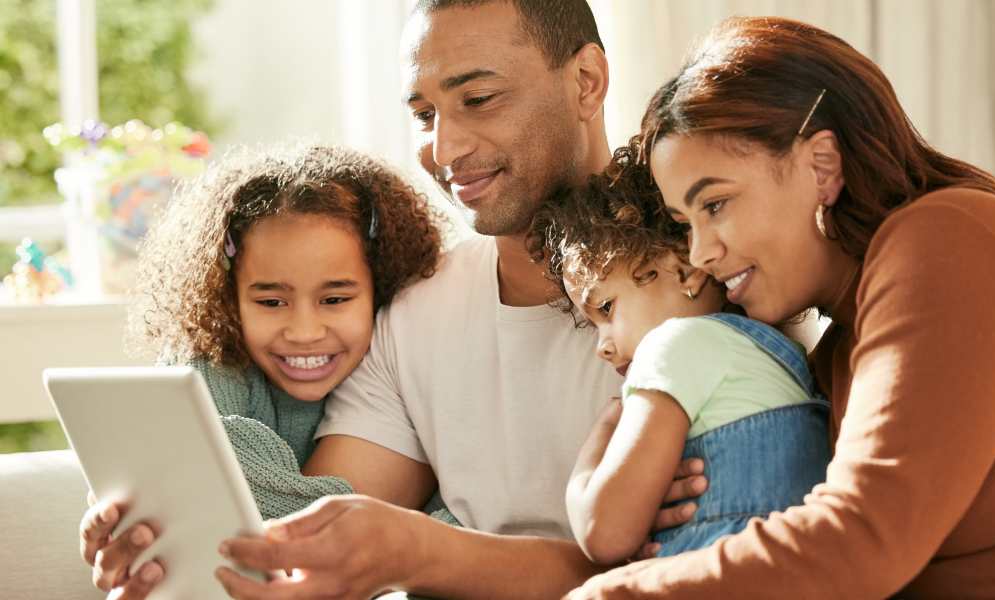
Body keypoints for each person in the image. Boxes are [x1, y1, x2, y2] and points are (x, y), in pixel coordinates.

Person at [80, 2, 707, 599]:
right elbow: (322, 537)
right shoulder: (413, 312)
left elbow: (696, 573)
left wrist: (420, 552)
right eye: (425, 115)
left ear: (587, 81)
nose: (446, 148)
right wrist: (168, 541)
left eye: (478, 100)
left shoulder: (696, 286)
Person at [569, 16, 995, 599]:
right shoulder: (836, 352)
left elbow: (860, 542)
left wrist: (614, 595)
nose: (702, 252)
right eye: (684, 223)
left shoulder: (947, 242)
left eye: (715, 205)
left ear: (822, 165)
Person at [78, 143, 445, 589]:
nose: (304, 331)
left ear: (380, 285)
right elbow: (206, 465)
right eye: (271, 301)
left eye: (335, 300)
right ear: (228, 296)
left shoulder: (405, 354)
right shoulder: (211, 360)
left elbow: (211, 486)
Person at [529, 141, 832, 565]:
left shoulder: (670, 347)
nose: (603, 346)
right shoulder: (785, 357)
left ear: (684, 271)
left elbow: (604, 533)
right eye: (592, 325)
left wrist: (587, 467)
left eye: (606, 308)